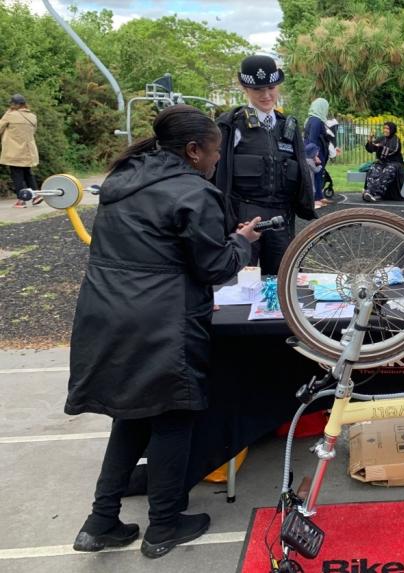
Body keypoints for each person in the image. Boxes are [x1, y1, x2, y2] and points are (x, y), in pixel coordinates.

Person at [66, 105, 261, 559]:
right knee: (173, 418)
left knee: (131, 414)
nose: (217, 162)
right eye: (214, 153)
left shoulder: (122, 180)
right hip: (161, 322)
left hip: (105, 314)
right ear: (194, 151)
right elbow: (213, 266)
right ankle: (165, 526)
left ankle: (100, 521)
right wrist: (241, 243)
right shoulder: (193, 192)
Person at [214, 55, 316, 276]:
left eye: (271, 87)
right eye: (258, 89)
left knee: (281, 280)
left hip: (281, 216)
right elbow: (217, 174)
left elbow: (301, 174)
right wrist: (227, 218)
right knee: (240, 281)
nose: (266, 95)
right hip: (244, 215)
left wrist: (304, 206)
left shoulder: (287, 126)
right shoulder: (232, 125)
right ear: (245, 88)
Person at [0, 94, 41, 207]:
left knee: (17, 175)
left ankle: (21, 200)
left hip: (14, 151)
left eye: (12, 103)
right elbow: (33, 132)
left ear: (15, 104)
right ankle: (36, 196)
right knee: (28, 173)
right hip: (29, 151)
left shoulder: (10, 115)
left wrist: (8, 112)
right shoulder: (32, 116)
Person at [362, 121, 404, 202]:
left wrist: (380, 146)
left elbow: (393, 150)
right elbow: (371, 149)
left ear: (392, 130)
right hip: (382, 162)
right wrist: (370, 140)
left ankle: (377, 194)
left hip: (395, 163)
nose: (385, 130)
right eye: (384, 128)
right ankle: (368, 192)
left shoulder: (396, 140)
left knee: (388, 170)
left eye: (387, 128)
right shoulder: (381, 138)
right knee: (373, 169)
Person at [304, 97, 331, 208]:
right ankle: (316, 199)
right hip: (315, 153)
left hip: (317, 152)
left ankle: (319, 196)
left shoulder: (314, 119)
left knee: (319, 174)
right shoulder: (315, 120)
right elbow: (312, 140)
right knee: (315, 174)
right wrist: (315, 156)